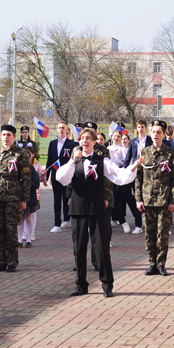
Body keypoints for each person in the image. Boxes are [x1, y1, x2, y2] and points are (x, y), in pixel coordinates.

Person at [56, 127, 140, 297]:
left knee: (101, 246)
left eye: (88, 138)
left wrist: (133, 167)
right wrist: (73, 161)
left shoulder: (103, 161)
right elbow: (61, 178)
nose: (85, 141)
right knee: (79, 248)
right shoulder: (74, 161)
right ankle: (81, 284)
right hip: (78, 209)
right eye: (82, 139)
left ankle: (107, 284)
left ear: (95, 142)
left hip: (97, 208)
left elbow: (119, 176)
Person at [135, 120, 174, 276]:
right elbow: (138, 178)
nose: (155, 135)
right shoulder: (144, 153)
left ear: (164, 134)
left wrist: (172, 200)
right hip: (147, 200)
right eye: (153, 132)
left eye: (159, 132)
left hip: (164, 200)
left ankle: (161, 264)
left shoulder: (171, 154)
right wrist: (138, 199)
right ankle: (151, 263)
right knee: (149, 234)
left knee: (162, 234)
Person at [0, 124, 32, 272]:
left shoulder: (20, 154)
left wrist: (24, 199)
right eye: (4, 135)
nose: (6, 137)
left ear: (14, 137)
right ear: (0, 136)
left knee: (11, 230)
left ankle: (12, 261)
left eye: (9, 135)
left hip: (13, 196)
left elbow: (26, 178)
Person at [46, 121, 78, 233]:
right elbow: (49, 161)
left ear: (67, 130)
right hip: (55, 176)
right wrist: (46, 177)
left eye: (63, 128)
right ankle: (56, 223)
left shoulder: (72, 144)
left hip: (67, 176)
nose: (61, 129)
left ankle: (67, 218)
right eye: (59, 127)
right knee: (56, 200)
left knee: (66, 198)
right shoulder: (52, 143)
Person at [19, 164, 40, 248]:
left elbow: (36, 184)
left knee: (28, 218)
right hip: (19, 198)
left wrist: (26, 181)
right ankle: (19, 240)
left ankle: (29, 239)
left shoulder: (32, 171)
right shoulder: (17, 169)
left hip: (30, 198)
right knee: (20, 219)